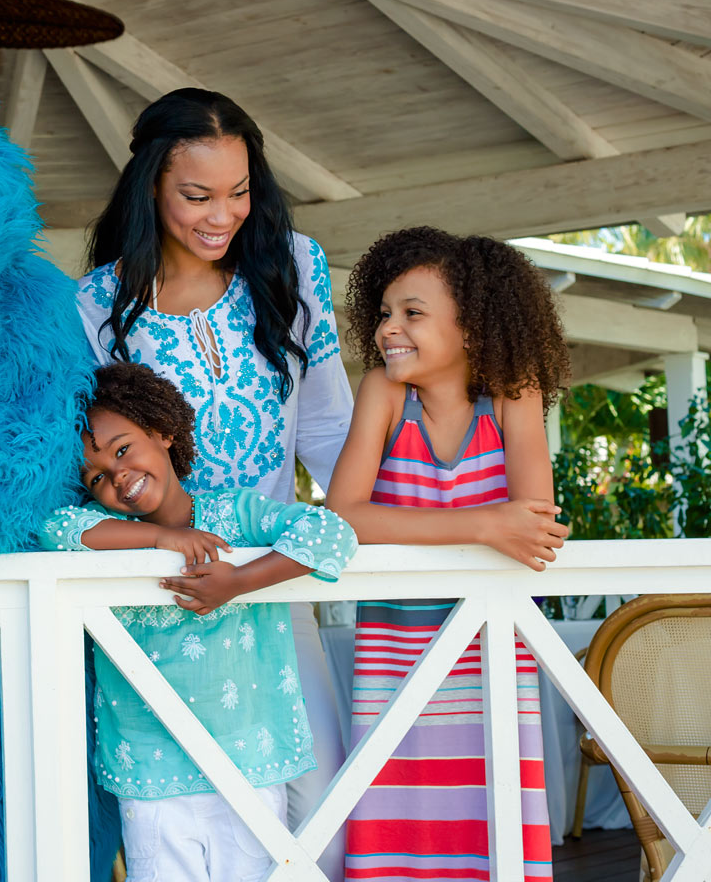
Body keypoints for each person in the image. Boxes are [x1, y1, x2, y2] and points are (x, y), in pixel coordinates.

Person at [77, 87, 354, 879]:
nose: (222, 216)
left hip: (271, 579)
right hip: (165, 599)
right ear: (150, 187)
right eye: (197, 196)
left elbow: (329, 426)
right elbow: (96, 465)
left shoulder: (293, 265)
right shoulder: (96, 304)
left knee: (320, 816)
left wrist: (371, 529)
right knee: (182, 826)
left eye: (239, 192)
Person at [40, 362, 357, 882]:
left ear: (162, 432)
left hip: (248, 759)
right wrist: (160, 539)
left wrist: (240, 581)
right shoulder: (110, 533)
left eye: (122, 449)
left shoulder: (237, 515)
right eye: (96, 477)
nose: (117, 475)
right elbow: (57, 529)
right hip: (150, 768)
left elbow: (331, 533)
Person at [325, 227, 571, 881]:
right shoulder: (383, 394)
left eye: (412, 313)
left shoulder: (514, 392)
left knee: (493, 816)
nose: (388, 329)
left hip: (489, 650)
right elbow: (343, 517)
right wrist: (483, 524)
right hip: (395, 652)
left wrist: (490, 527)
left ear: (473, 326)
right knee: (398, 819)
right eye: (384, 313)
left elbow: (534, 524)